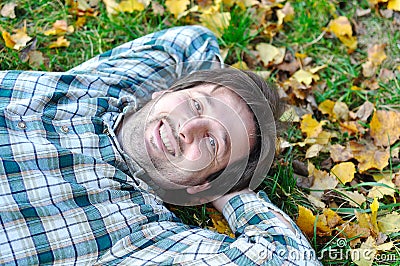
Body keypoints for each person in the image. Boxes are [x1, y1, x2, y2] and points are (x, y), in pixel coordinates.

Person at [0, 25, 321, 265]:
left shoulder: (139, 232)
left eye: (212, 143)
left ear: (203, 187)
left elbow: (289, 258)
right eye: (197, 105)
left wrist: (230, 193)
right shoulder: (106, 87)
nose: (189, 128)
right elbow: (193, 42)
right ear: (164, 91)